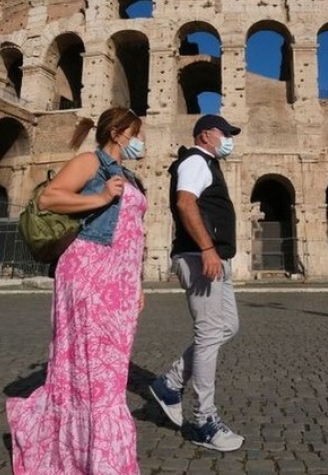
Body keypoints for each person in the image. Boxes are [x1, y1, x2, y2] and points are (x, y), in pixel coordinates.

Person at [6, 107, 147, 475]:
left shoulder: (129, 175)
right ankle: (100, 458)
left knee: (112, 369)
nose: (138, 141)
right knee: (92, 366)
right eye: (134, 133)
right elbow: (49, 199)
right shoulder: (91, 162)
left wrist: (138, 282)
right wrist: (99, 198)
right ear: (117, 133)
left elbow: (133, 235)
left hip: (120, 280)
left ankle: (91, 450)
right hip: (89, 271)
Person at [149, 114, 244, 452]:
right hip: (199, 257)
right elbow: (185, 203)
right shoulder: (195, 161)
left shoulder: (207, 164)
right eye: (225, 133)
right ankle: (204, 421)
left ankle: (169, 383)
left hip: (214, 259)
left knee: (227, 327)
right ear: (206, 135)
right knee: (208, 333)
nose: (230, 139)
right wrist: (206, 248)